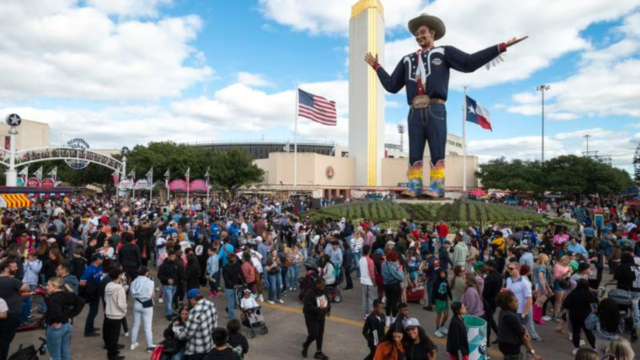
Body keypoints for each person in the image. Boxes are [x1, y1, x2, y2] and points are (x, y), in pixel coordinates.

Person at [45, 276, 85, 360]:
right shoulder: (69, 294)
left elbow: (57, 313)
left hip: (56, 328)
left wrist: (57, 321)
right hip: (67, 325)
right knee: (64, 350)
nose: (46, 287)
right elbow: (81, 302)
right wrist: (70, 315)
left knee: (55, 354)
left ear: (55, 286)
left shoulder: (54, 298)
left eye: (48, 285)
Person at [496, 290, 543, 360]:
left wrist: (524, 329)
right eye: (516, 302)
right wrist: (534, 354)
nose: (518, 304)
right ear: (509, 304)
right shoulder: (510, 317)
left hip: (504, 345)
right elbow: (524, 337)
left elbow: (520, 327)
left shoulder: (504, 311)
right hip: (511, 348)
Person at [174, 289, 218, 360]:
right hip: (209, 345)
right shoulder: (211, 305)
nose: (189, 302)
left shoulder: (195, 311)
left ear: (193, 299)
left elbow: (188, 334)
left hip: (197, 350)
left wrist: (178, 333)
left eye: (189, 299)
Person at [0, 259, 30, 360]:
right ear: (6, 268)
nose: (16, 268)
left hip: (3, 313)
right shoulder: (13, 281)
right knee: (5, 340)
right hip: (10, 315)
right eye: (13, 267)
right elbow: (26, 288)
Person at [563, 278, 598, 355]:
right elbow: (595, 305)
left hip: (575, 315)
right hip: (587, 316)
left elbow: (565, 304)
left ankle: (576, 348)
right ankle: (594, 348)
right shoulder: (590, 294)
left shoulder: (573, 293)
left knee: (576, 332)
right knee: (588, 332)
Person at [301, 277, 331, 360]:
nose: (322, 288)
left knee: (320, 334)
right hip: (311, 316)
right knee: (314, 334)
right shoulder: (310, 293)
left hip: (321, 315)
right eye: (321, 286)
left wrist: (328, 310)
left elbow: (327, 300)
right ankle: (306, 345)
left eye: (323, 286)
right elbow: (307, 307)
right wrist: (318, 309)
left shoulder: (324, 290)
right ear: (317, 284)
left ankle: (318, 352)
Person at [130, 266, 156, 352]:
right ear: (146, 272)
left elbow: (132, 293)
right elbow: (152, 295)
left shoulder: (134, 281)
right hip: (147, 305)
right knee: (147, 326)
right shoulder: (150, 282)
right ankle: (150, 345)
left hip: (137, 303)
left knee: (136, 324)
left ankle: (133, 343)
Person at [104, 267, 127, 360]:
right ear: (119, 276)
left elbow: (106, 299)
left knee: (109, 335)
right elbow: (121, 304)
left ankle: (111, 352)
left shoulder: (108, 285)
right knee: (114, 336)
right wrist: (124, 309)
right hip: (116, 315)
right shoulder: (119, 288)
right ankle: (113, 355)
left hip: (109, 313)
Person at [80, 253, 103, 337]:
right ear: (96, 259)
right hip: (92, 293)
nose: (102, 260)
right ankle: (88, 330)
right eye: (101, 258)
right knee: (92, 311)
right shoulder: (89, 270)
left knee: (95, 310)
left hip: (97, 291)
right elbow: (81, 282)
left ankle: (91, 327)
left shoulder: (100, 266)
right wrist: (91, 285)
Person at [158, 250, 184, 321]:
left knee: (171, 299)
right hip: (167, 286)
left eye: (174, 257)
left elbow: (179, 272)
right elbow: (159, 275)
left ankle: (170, 311)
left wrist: (182, 279)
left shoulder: (176, 263)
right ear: (168, 256)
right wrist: (167, 280)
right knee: (169, 300)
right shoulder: (163, 265)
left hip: (175, 285)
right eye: (172, 257)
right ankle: (168, 314)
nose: (173, 258)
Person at [381, 251, 403, 327]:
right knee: (394, 303)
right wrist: (400, 269)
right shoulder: (394, 265)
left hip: (386, 285)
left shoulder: (383, 264)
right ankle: (394, 319)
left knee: (388, 302)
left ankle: (387, 319)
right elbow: (400, 276)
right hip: (395, 285)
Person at [222, 253, 247, 319]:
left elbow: (241, 273)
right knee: (231, 304)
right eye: (232, 258)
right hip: (229, 288)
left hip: (238, 287)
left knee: (236, 303)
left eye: (234, 257)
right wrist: (233, 285)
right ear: (228, 259)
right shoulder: (225, 268)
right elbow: (226, 279)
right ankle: (232, 318)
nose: (234, 259)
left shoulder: (237, 265)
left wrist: (244, 282)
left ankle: (230, 314)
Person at [482, 260, 501, 346]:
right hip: (495, 301)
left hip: (489, 302)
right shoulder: (499, 275)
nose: (485, 267)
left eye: (487, 265)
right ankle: (500, 335)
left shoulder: (489, 278)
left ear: (492, 267)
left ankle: (487, 342)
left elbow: (486, 292)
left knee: (488, 322)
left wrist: (482, 296)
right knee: (490, 318)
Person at [359, 245, 377, 320]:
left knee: (364, 298)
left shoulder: (361, 259)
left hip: (363, 281)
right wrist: (374, 282)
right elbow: (372, 274)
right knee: (371, 298)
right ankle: (371, 313)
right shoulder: (370, 261)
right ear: (369, 251)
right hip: (369, 282)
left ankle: (365, 314)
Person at [433, 268, 451, 338]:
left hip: (445, 300)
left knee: (446, 314)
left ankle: (442, 326)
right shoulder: (436, 281)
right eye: (441, 273)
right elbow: (433, 293)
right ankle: (437, 329)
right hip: (438, 300)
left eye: (444, 273)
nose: (443, 274)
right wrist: (433, 303)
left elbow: (448, 289)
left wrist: (450, 296)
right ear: (438, 274)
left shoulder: (445, 280)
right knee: (439, 314)